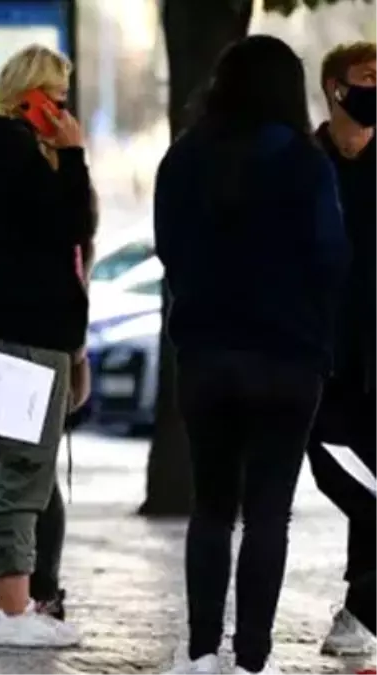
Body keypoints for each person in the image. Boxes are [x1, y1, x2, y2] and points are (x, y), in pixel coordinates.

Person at [154, 35, 349, 675]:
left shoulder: (184, 159)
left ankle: (202, 651)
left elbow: (169, 249)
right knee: (270, 513)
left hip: (208, 355)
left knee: (211, 507)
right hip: (288, 361)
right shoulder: (305, 162)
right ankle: (251, 659)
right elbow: (330, 257)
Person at [0, 45, 93, 648]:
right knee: (22, 473)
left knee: (13, 470)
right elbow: (69, 229)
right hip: (32, 334)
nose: (63, 108)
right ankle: (13, 609)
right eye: (56, 97)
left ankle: (17, 599)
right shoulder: (20, 156)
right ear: (30, 96)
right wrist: (74, 155)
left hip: (6, 330)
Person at [303, 40, 377, 659]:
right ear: (335, 86)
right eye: (369, 77)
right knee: (339, 474)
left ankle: (360, 608)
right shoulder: (304, 161)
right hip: (318, 351)